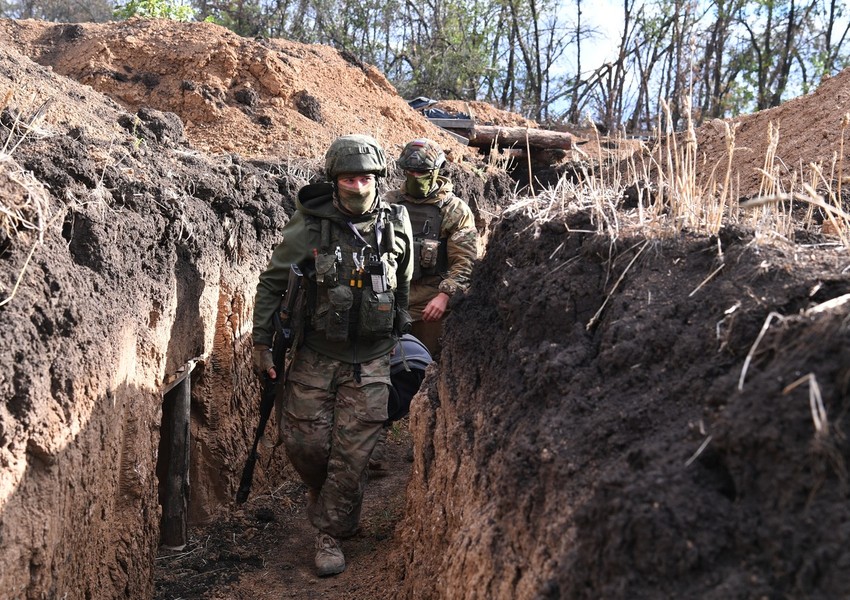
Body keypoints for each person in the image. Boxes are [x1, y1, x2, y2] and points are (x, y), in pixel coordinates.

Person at [251, 134, 413, 577]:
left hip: (374, 358)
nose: (357, 186)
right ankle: (326, 497)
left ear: (377, 177)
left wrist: (401, 332)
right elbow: (271, 282)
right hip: (316, 353)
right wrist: (261, 343)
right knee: (305, 445)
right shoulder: (309, 224)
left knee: (353, 453)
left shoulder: (398, 221)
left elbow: (403, 282)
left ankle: (329, 534)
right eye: (347, 177)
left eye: (364, 177)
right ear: (334, 180)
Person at [385, 138, 479, 359]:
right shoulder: (390, 203)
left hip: (430, 304)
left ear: (436, 171)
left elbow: (465, 261)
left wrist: (445, 295)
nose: (415, 177)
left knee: (427, 364)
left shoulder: (454, 210)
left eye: (422, 172)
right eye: (410, 171)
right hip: (390, 301)